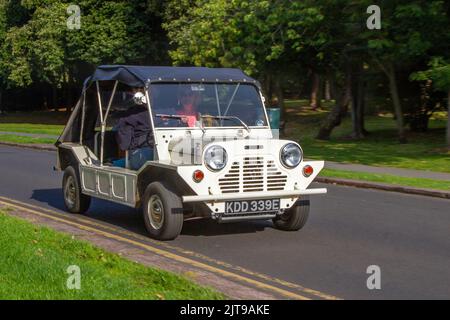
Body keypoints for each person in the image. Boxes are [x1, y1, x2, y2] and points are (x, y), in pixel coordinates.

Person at [112, 88, 154, 170]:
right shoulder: (168, 112)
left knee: (115, 165)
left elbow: (124, 145)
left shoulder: (128, 116)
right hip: (166, 154)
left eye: (140, 89)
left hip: (143, 157)